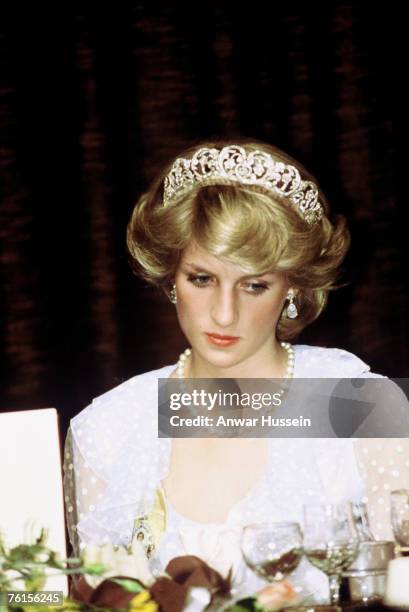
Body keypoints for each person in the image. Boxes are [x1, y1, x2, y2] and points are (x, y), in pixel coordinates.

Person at [63, 139, 409, 603]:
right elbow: (57, 599)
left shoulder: (356, 403)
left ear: (291, 288)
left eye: (254, 285)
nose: (223, 314)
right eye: (202, 279)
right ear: (171, 279)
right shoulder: (106, 430)